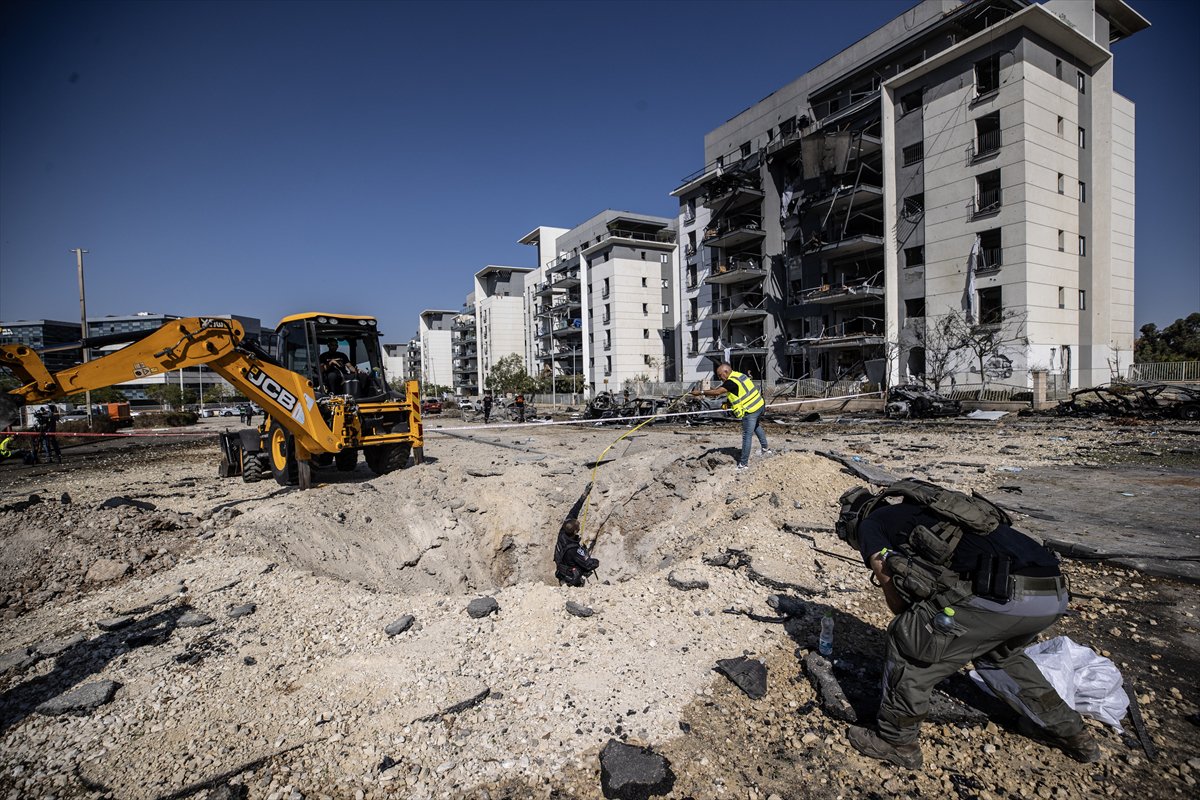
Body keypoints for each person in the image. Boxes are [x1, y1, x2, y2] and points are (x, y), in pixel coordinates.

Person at [834, 480, 1100, 769]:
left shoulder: (871, 525)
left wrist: (918, 624)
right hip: (1053, 592)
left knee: (909, 641)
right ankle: (1071, 733)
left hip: (1004, 593)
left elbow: (892, 592)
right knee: (998, 656)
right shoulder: (924, 511)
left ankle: (897, 742)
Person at [690, 362, 773, 471]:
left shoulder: (730, 382)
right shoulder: (739, 375)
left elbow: (717, 392)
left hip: (751, 409)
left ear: (726, 372)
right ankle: (766, 449)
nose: (720, 378)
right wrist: (729, 404)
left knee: (747, 436)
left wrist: (700, 392)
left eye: (720, 375)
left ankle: (743, 464)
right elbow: (739, 392)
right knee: (756, 427)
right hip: (759, 405)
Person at [554, 518, 600, 586]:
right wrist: (596, 562)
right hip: (572, 578)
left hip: (563, 572)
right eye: (578, 528)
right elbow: (588, 565)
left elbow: (571, 516)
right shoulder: (573, 550)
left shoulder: (562, 536)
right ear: (575, 531)